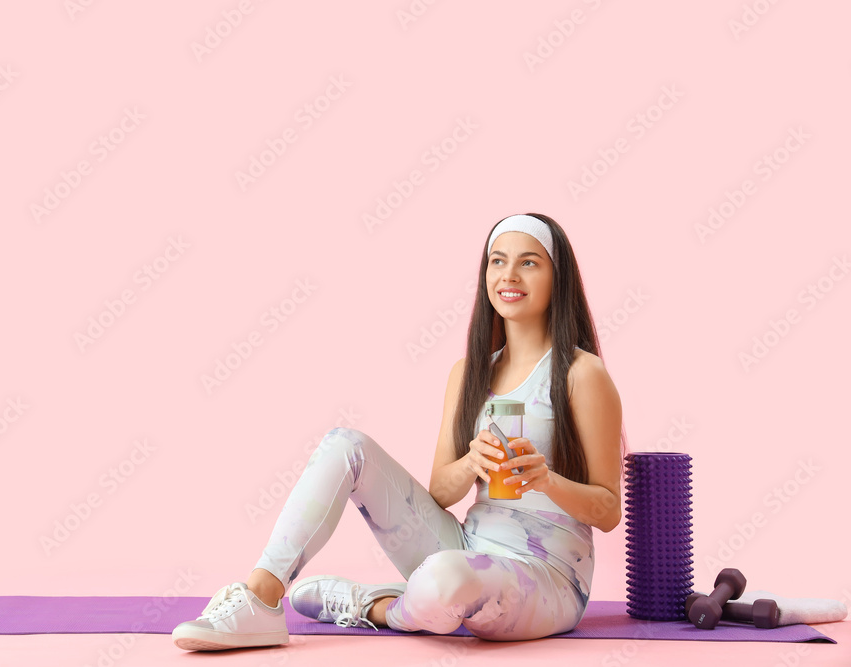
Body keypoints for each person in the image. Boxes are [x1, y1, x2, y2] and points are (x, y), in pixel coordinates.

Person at [172, 213, 626, 651]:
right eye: (497, 260)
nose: (509, 275)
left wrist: (546, 480)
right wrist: (470, 463)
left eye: (529, 262)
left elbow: (607, 512)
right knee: (345, 445)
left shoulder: (581, 374)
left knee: (444, 579)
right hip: (467, 546)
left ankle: (376, 606)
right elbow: (441, 493)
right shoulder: (468, 373)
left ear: (557, 278)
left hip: (548, 575)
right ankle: (260, 597)